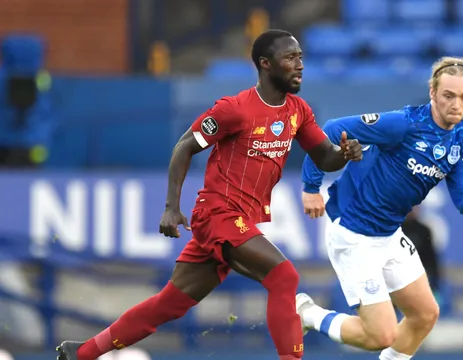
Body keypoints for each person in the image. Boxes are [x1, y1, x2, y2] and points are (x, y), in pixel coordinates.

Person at [56, 29, 363, 360]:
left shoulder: (297, 110)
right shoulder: (236, 109)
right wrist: (171, 207)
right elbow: (185, 146)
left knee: (169, 304)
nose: (300, 65)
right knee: (284, 275)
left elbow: (324, 156)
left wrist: (344, 153)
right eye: (290, 58)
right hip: (218, 215)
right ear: (265, 64)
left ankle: (84, 353)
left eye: (301, 57)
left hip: (236, 220)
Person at [296, 56, 463, 360]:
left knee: (425, 315)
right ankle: (308, 314)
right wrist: (311, 187)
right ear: (432, 91)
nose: (457, 104)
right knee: (381, 334)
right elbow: (333, 129)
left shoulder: (462, 138)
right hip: (354, 233)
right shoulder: (404, 124)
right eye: (449, 95)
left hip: (389, 234)